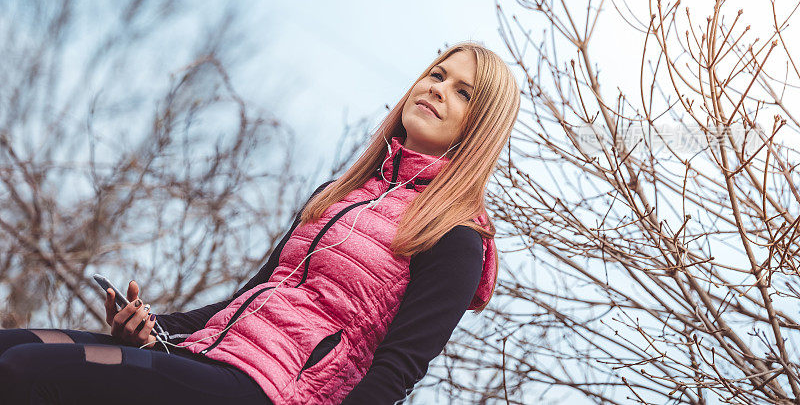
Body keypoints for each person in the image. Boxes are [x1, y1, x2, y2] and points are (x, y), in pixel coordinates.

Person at [0, 41, 520, 404]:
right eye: (436, 74)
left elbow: (399, 370)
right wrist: (151, 327)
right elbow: (246, 298)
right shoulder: (340, 195)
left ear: (480, 126)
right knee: (10, 349)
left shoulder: (455, 239)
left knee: (28, 372)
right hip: (208, 356)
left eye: (464, 92)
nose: (438, 89)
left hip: (271, 391)